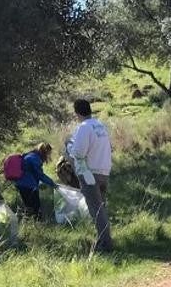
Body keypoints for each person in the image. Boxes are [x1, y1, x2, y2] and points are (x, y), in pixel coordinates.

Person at [68, 99, 113, 252]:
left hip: (89, 173)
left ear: (77, 113)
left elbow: (79, 153)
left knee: (96, 210)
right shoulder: (100, 125)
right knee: (101, 208)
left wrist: (69, 148)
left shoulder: (84, 127)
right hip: (104, 170)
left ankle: (104, 244)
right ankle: (105, 240)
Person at [14, 142, 58, 219]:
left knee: (29, 207)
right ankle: (38, 225)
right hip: (29, 186)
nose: (49, 156)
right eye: (49, 154)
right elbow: (40, 175)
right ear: (45, 152)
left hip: (20, 184)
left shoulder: (30, 155)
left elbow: (31, 173)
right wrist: (52, 183)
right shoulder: (35, 159)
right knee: (36, 209)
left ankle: (28, 225)